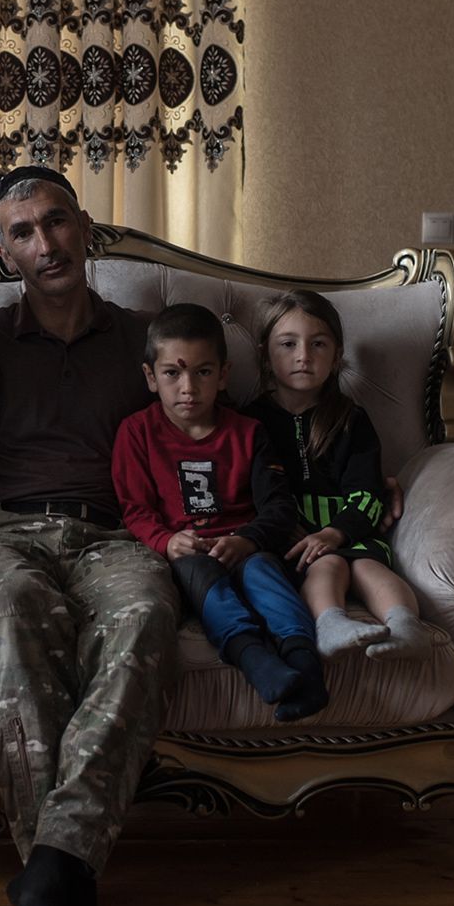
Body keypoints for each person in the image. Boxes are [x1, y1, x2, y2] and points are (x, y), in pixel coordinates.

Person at [0, 165, 180, 906]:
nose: (45, 244)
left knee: (147, 612)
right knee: (5, 607)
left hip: (117, 535)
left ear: (85, 228)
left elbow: (215, 428)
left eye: (56, 222)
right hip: (5, 532)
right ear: (5, 253)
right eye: (23, 232)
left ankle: (53, 866)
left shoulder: (145, 339)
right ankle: (62, 865)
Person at [111, 304, 330, 723]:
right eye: (172, 373)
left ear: (224, 375)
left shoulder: (248, 432)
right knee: (199, 573)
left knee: (263, 571)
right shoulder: (136, 433)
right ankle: (256, 661)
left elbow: (279, 506)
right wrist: (167, 541)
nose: (188, 387)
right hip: (189, 555)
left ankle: (305, 665)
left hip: (247, 546)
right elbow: (135, 509)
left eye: (203, 372)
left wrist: (247, 539)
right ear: (150, 377)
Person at [246, 290, 436, 660]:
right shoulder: (251, 421)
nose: (303, 356)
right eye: (288, 344)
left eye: (318, 344)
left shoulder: (350, 419)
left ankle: (406, 627)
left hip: (352, 529)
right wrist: (287, 530)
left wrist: (336, 532)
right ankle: (332, 625)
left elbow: (367, 489)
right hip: (295, 538)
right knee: (327, 564)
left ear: (336, 357)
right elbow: (244, 487)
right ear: (266, 356)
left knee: (370, 568)